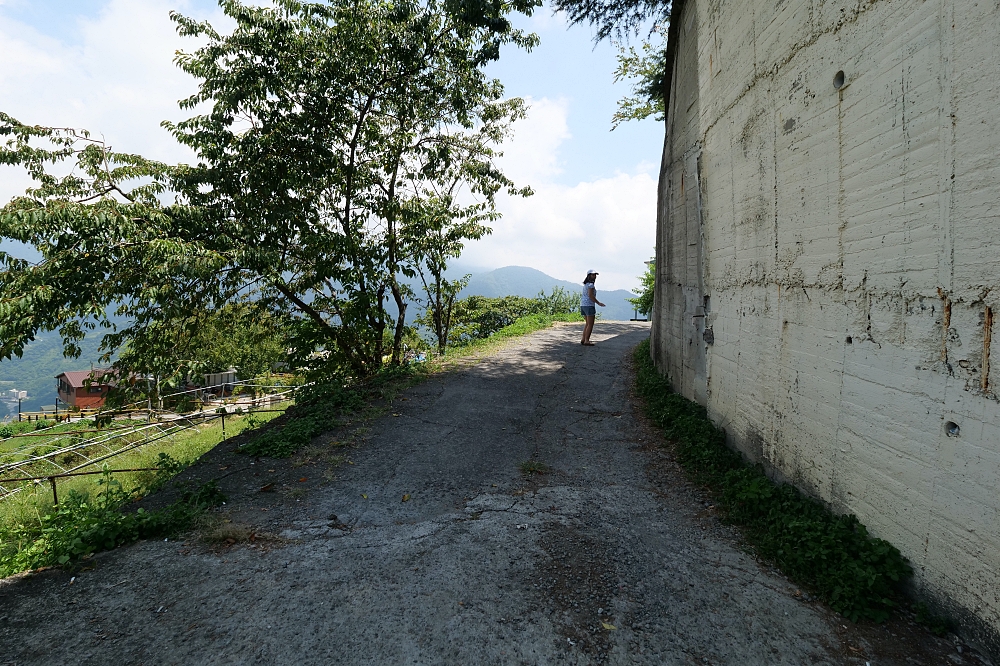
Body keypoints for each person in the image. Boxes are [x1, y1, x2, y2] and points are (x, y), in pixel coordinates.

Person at [580, 269, 605, 346]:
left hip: (583, 305)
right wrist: (598, 303)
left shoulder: (586, 285)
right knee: (590, 324)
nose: (594, 276)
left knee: (587, 323)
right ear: (589, 276)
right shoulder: (591, 285)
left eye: (595, 275)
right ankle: (587, 340)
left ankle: (583, 339)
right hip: (589, 305)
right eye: (592, 275)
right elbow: (591, 296)